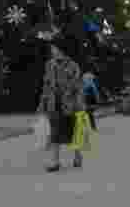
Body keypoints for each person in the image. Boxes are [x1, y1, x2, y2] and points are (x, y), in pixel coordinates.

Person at [39, 40, 85, 172]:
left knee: (74, 131)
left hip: (71, 104)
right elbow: (46, 84)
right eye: (52, 49)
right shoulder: (49, 65)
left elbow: (78, 86)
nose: (53, 51)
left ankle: (77, 155)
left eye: (56, 49)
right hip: (54, 104)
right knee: (55, 133)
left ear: (63, 50)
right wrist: (43, 103)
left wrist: (78, 103)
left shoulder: (73, 65)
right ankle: (55, 162)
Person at [81, 66, 100, 131]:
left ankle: (85, 127)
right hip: (90, 95)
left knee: (86, 111)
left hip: (86, 95)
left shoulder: (83, 76)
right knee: (90, 113)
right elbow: (94, 88)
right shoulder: (92, 76)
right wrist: (97, 97)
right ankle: (92, 127)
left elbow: (82, 86)